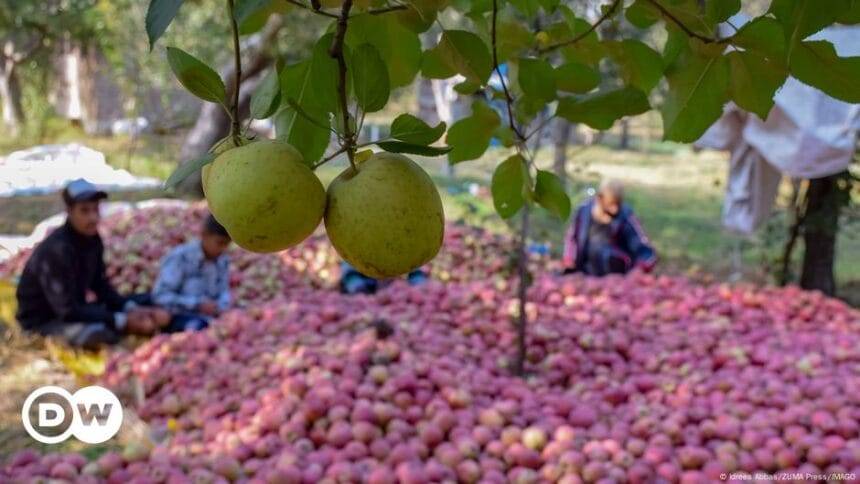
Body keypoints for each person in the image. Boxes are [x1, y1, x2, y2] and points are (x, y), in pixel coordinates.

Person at [15, 179, 170, 350]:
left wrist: (130, 308)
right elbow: (67, 310)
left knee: (148, 301)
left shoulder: (93, 240)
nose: (93, 217)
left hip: (76, 308)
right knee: (98, 333)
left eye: (96, 210)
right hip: (46, 320)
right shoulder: (57, 251)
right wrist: (120, 319)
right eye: (85, 211)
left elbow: (100, 285)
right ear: (69, 211)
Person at [152, 214, 232, 332]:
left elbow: (224, 290)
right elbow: (160, 296)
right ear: (204, 235)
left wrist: (221, 307)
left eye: (227, 244)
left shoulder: (223, 260)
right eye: (220, 243)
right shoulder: (181, 257)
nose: (223, 249)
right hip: (182, 317)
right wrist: (197, 304)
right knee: (196, 327)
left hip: (213, 319)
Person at [562, 179, 657, 276]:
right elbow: (571, 239)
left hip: (619, 278)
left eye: (618, 204)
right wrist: (569, 260)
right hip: (585, 275)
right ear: (600, 198)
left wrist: (640, 268)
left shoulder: (626, 216)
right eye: (611, 204)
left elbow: (646, 250)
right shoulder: (583, 213)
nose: (615, 210)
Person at [339, 262, 429, 295]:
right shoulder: (357, 249)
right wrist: (358, 288)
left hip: (395, 293)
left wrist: (421, 287)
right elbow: (350, 276)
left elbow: (416, 273)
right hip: (367, 290)